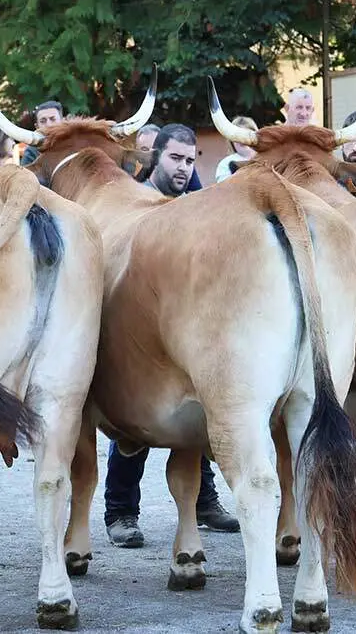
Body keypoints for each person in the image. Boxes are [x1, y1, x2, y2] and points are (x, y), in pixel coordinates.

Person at [105, 123, 240, 548]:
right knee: (134, 421)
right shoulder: (130, 203)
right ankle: (120, 511)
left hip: (183, 319)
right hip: (136, 322)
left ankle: (204, 503)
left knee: (198, 410)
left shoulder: (198, 205)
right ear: (154, 157)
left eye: (190, 160)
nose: (183, 168)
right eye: (175, 158)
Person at [214, 115, 257, 183]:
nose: (243, 140)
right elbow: (225, 189)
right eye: (237, 136)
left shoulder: (266, 159)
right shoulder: (225, 164)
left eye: (247, 135)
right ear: (231, 140)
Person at [21, 100, 64, 166]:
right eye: (43, 121)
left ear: (63, 122)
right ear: (37, 127)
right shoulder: (32, 152)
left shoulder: (76, 143)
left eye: (53, 119)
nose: (49, 125)